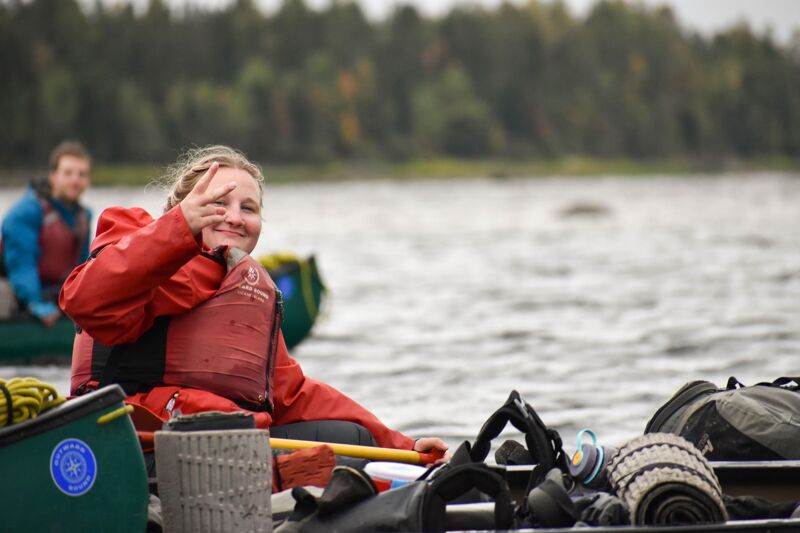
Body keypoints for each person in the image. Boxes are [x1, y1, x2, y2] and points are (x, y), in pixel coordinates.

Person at [60, 144, 449, 462]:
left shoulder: (246, 290)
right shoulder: (135, 234)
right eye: (218, 204)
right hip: (132, 439)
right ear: (183, 205)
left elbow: (292, 393)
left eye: (248, 209)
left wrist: (403, 446)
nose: (234, 218)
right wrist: (179, 228)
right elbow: (85, 300)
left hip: (224, 446)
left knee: (356, 438)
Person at [0, 141, 92, 326]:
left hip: (53, 292)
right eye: (68, 173)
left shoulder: (83, 217)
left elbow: (83, 269)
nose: (75, 180)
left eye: (81, 174)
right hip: (16, 290)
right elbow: (21, 263)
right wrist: (34, 303)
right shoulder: (26, 212)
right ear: (53, 177)